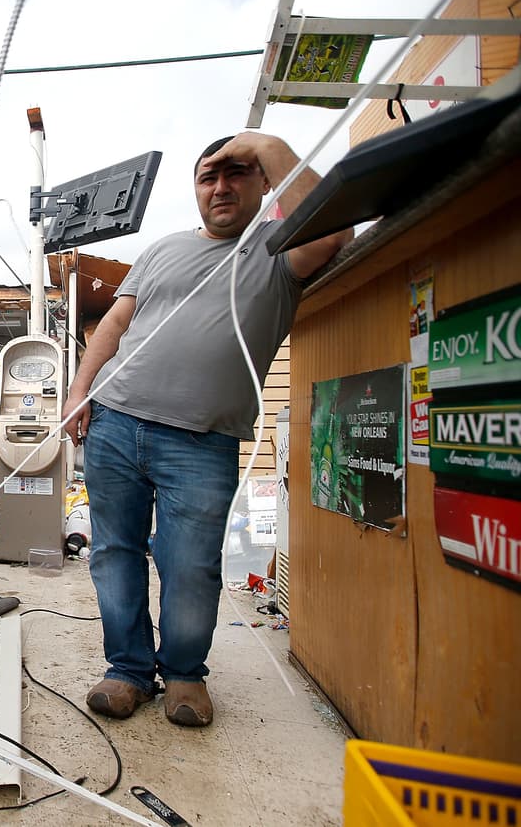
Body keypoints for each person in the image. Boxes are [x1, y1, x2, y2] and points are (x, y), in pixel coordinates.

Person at [60, 132, 351, 727]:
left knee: (189, 563)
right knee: (114, 553)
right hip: (115, 423)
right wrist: (79, 391)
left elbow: (336, 228)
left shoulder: (279, 248)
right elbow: (116, 322)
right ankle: (128, 671)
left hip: (201, 441)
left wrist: (268, 144)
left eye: (237, 172)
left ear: (265, 182)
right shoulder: (162, 249)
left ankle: (185, 675)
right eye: (207, 177)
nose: (220, 186)